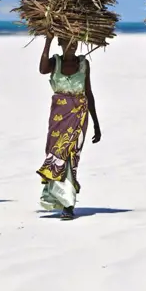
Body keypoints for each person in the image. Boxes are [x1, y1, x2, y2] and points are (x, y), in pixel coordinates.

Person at [37, 33, 101, 220]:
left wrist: (96, 123)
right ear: (61, 43)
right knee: (55, 155)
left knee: (71, 157)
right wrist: (48, 40)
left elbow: (88, 93)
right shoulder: (54, 63)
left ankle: (68, 204)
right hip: (58, 117)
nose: (72, 46)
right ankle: (57, 198)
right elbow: (41, 70)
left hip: (79, 117)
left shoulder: (84, 64)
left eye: (75, 43)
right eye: (68, 43)